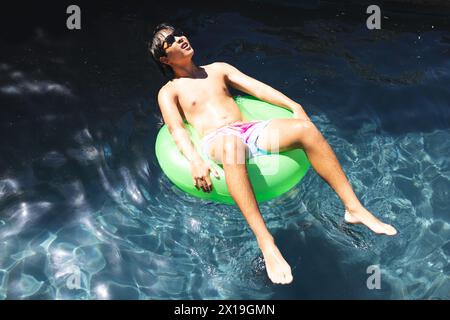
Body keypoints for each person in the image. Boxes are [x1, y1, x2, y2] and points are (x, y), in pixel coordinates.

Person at [149, 23, 397, 285]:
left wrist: (294, 105)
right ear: (165, 59)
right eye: (172, 41)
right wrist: (195, 161)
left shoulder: (218, 69)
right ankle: (266, 241)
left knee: (306, 130)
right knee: (232, 144)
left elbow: (258, 88)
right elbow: (176, 129)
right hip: (218, 141)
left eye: (180, 34)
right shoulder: (170, 91)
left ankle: (353, 207)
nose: (181, 39)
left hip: (250, 131)